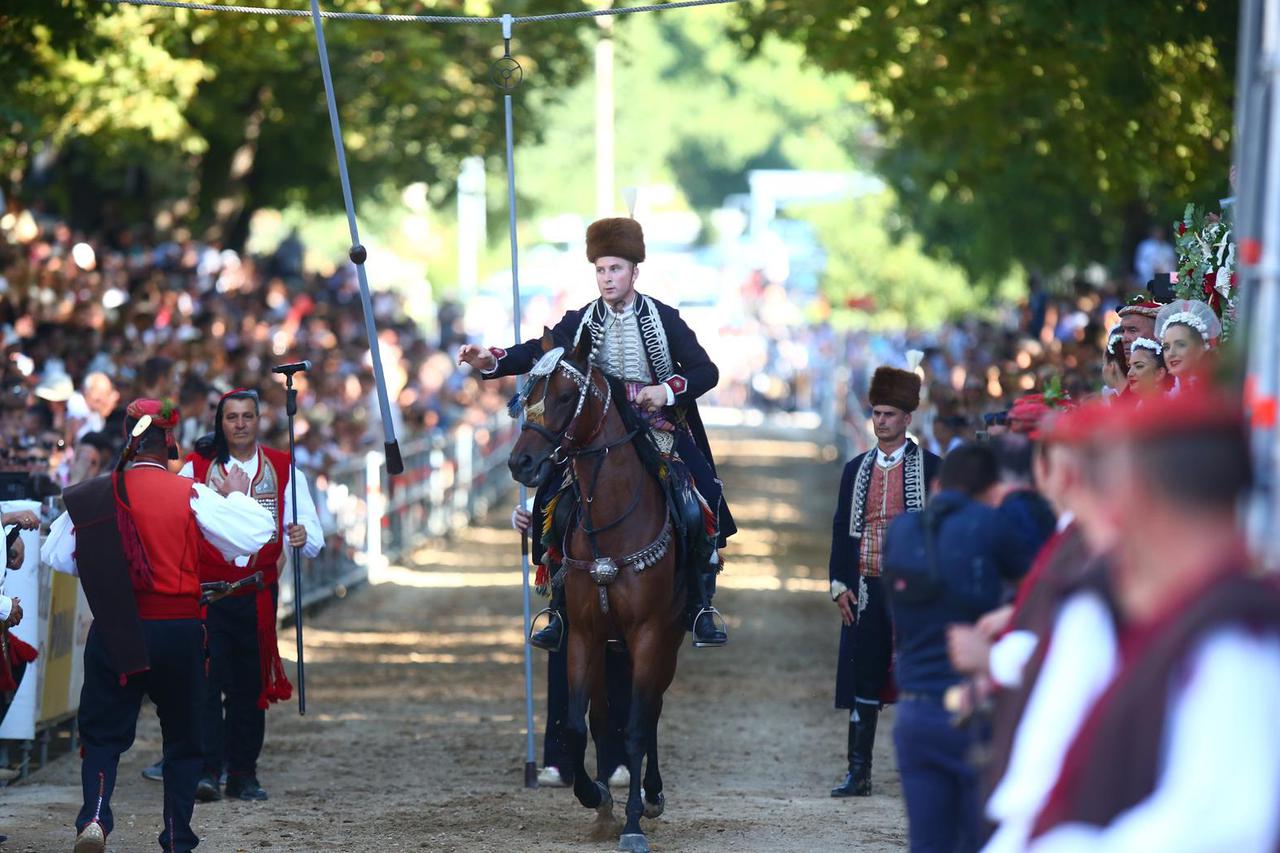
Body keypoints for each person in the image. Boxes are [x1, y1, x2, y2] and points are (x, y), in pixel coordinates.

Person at [457, 217, 734, 649]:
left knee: (703, 498)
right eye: (601, 270)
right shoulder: (580, 319)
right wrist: (492, 360)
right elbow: (537, 351)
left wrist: (665, 391)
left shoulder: (665, 318)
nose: (608, 278)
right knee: (551, 504)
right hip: (594, 436)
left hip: (658, 430)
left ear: (634, 272)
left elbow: (706, 371)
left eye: (616, 269)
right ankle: (560, 610)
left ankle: (701, 605)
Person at [1031, 385, 1280, 852]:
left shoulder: (1235, 640)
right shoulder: (1185, 620)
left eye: (1111, 488)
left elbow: (1230, 826)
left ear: (1146, 497)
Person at [42, 399, 275, 853]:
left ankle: (94, 817)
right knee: (185, 740)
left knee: (103, 735)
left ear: (127, 439)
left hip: (117, 629)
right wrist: (234, 494)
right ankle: (175, 834)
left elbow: (57, 555)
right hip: (178, 631)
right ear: (169, 441)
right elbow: (255, 535)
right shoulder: (188, 492)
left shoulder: (95, 493)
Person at [882, 443, 1037, 852]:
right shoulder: (991, 525)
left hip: (914, 710)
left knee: (927, 844)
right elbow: (1039, 589)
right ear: (992, 491)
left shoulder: (900, 530)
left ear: (936, 485)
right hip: (975, 708)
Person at [182, 388, 322, 802]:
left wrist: (299, 534)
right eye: (232, 417)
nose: (240, 424)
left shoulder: (283, 468)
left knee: (248, 687)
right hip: (206, 595)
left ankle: (243, 772)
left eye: (247, 416)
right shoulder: (196, 466)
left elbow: (311, 534)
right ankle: (207, 770)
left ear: (258, 420)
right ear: (220, 423)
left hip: (256, 594)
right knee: (206, 686)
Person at [828, 365, 941, 798]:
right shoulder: (855, 469)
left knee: (925, 677)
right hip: (868, 584)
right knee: (865, 677)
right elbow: (842, 529)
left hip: (918, 592)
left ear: (907, 418)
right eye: (876, 413)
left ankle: (926, 773)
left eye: (890, 414)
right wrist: (840, 583)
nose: (881, 421)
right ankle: (859, 773)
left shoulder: (933, 469)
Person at [1155, 299, 1221, 393]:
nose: (1171, 353)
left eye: (1180, 345)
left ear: (1201, 347)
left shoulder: (1216, 394)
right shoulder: (1167, 397)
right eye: (1166, 347)